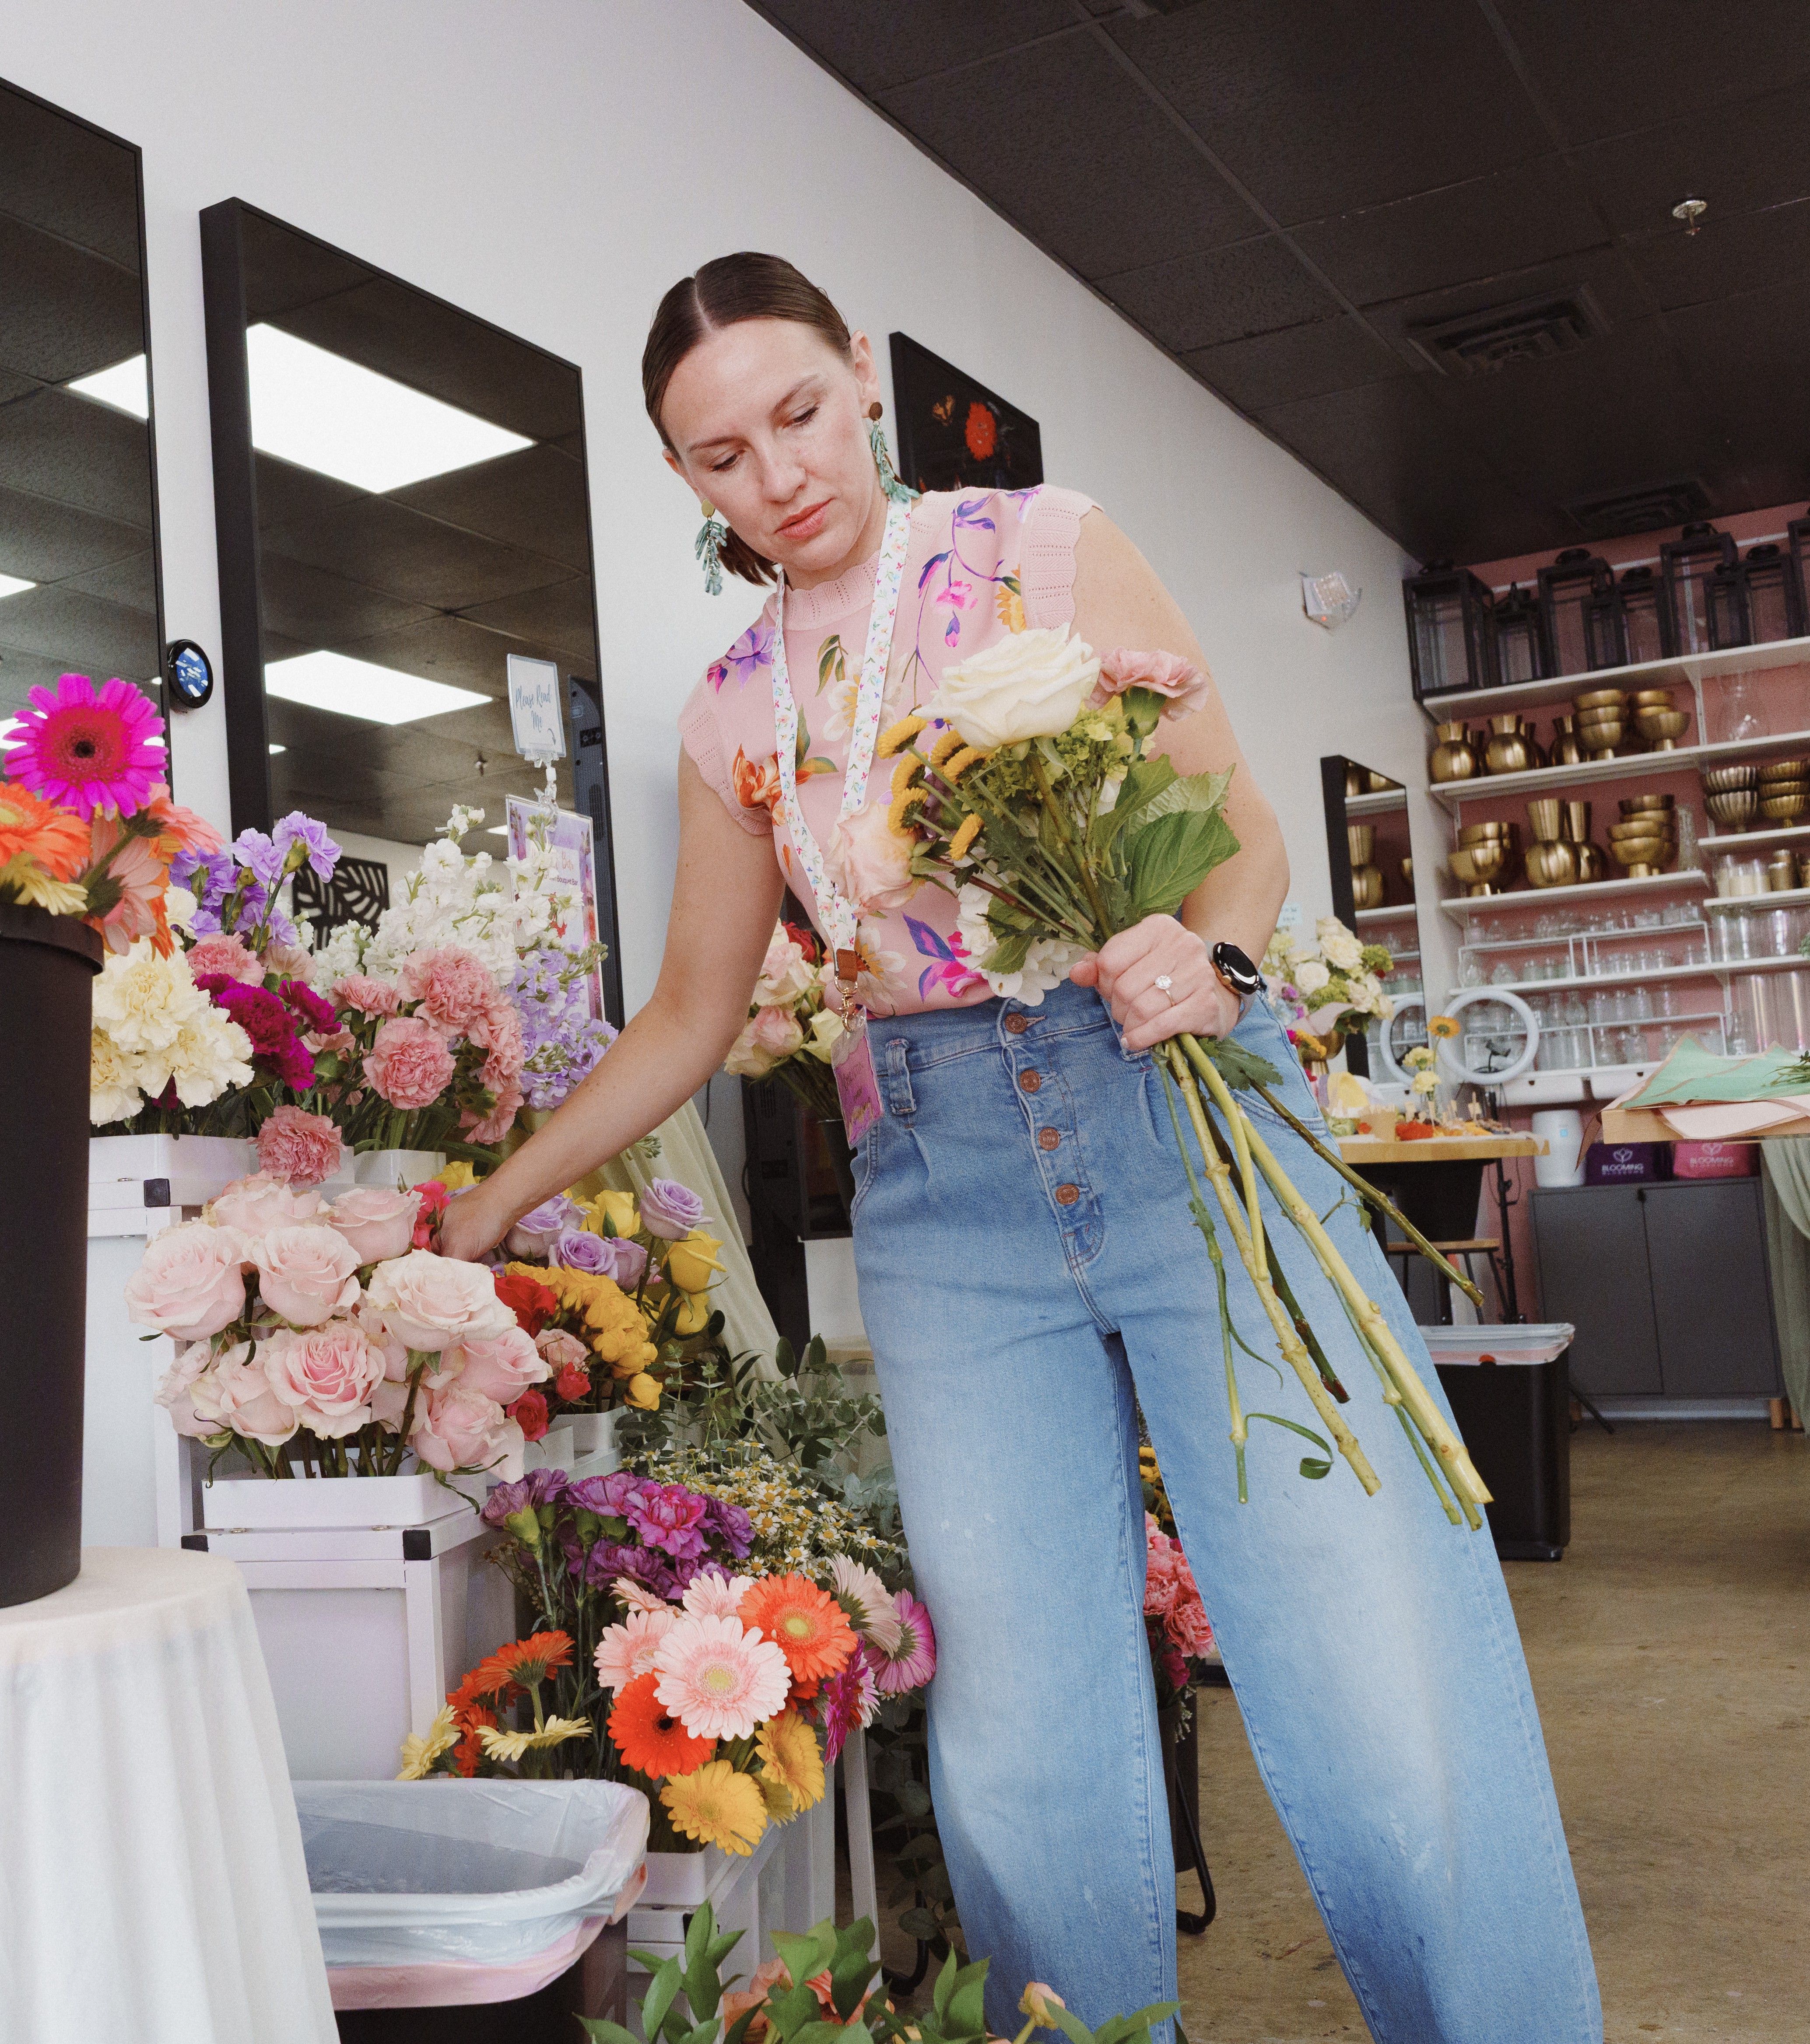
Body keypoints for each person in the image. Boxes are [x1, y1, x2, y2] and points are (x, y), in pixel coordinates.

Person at [438, 253, 1598, 2039]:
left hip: (1179, 1107)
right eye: (719, 454)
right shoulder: (732, 713)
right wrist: (484, 1201)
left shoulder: (1039, 551)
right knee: (1021, 1744)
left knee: (1374, 1666)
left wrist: (1197, 953)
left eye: (798, 414)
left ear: (861, 374)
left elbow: (1241, 841)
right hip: (941, 1188)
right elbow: (684, 1014)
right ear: (686, 481)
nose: (776, 477)